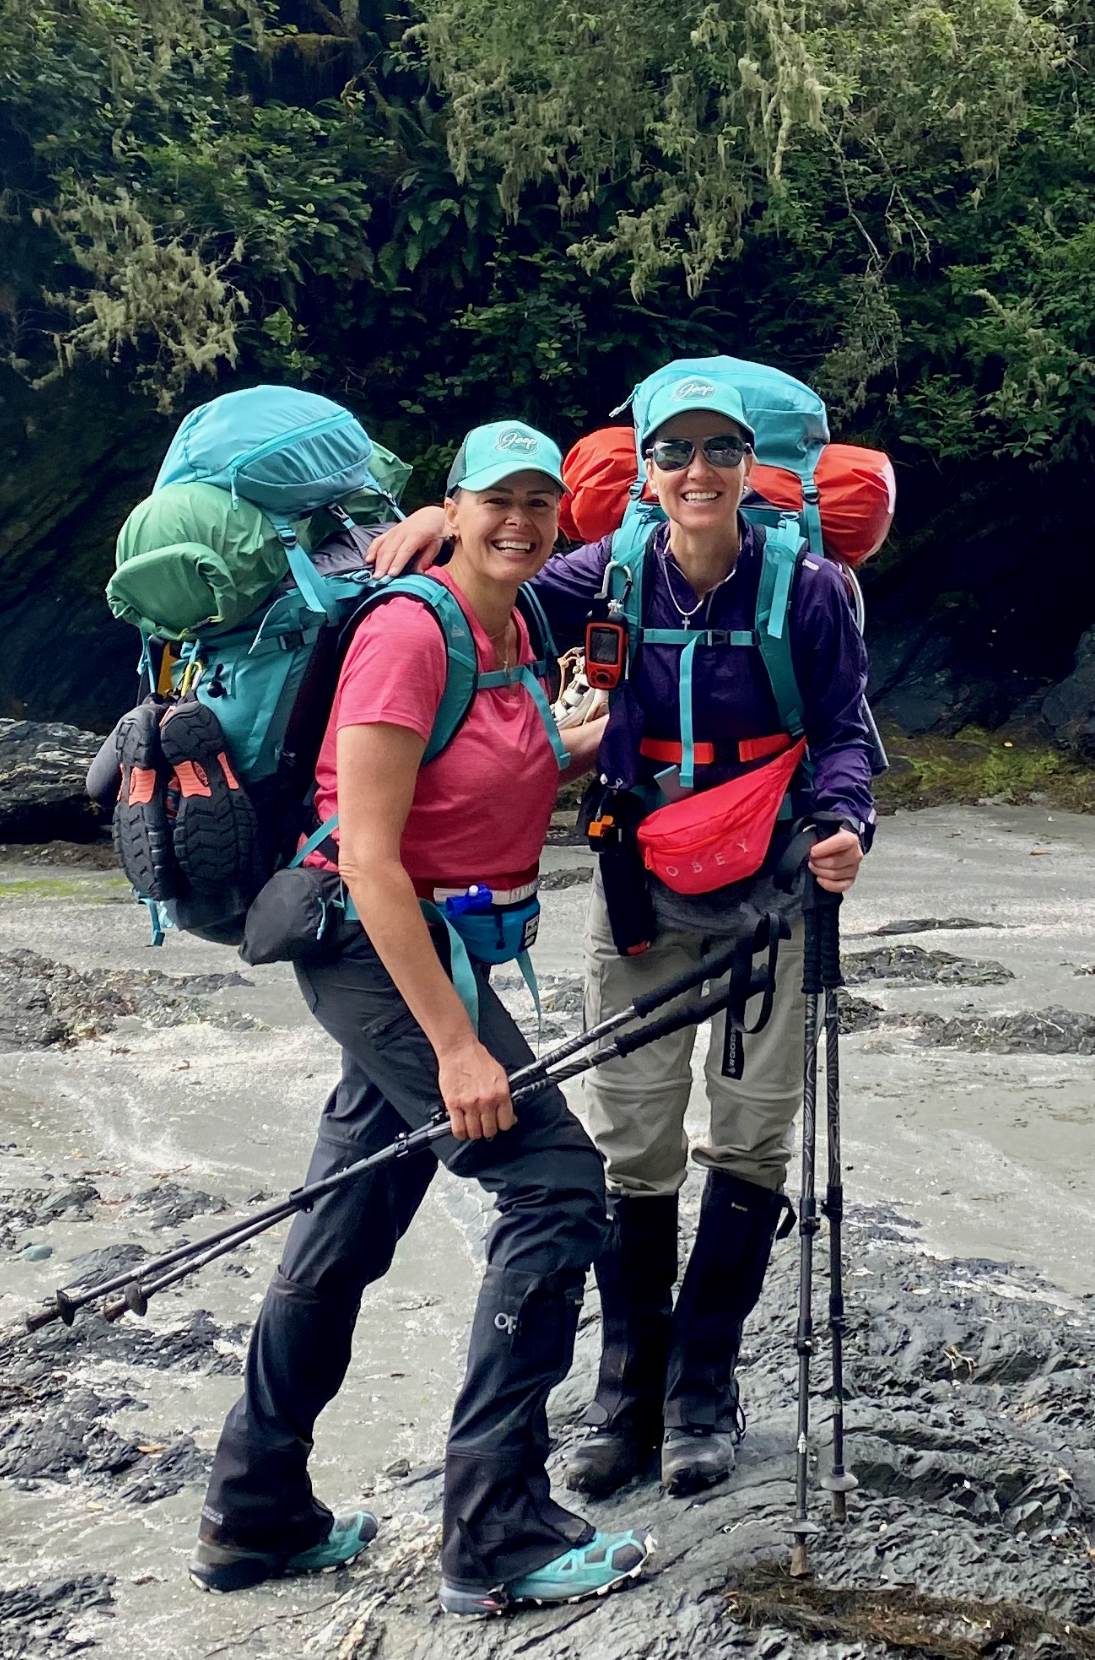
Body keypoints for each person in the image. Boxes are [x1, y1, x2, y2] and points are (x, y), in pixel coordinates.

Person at [371, 373, 875, 1503]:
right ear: (644, 470)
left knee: (749, 1140)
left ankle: (703, 1390)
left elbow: (845, 735)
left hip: (778, 891)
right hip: (640, 890)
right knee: (630, 1144)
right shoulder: (601, 575)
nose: (696, 471)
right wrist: (429, 523)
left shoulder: (812, 589)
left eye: (719, 450)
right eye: (674, 451)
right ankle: (624, 1392)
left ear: (749, 466)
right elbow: (481, 590)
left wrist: (844, 826)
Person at [191, 421, 653, 1615]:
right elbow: (373, 856)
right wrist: (454, 1042)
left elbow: (500, 764)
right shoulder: (408, 631)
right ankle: (495, 1534)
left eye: (541, 503)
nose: (521, 520)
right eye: (497, 499)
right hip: (371, 942)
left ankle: (254, 1513)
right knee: (555, 1185)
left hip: (428, 950)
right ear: (452, 504)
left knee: (351, 1211)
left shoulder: (519, 627)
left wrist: (601, 743)